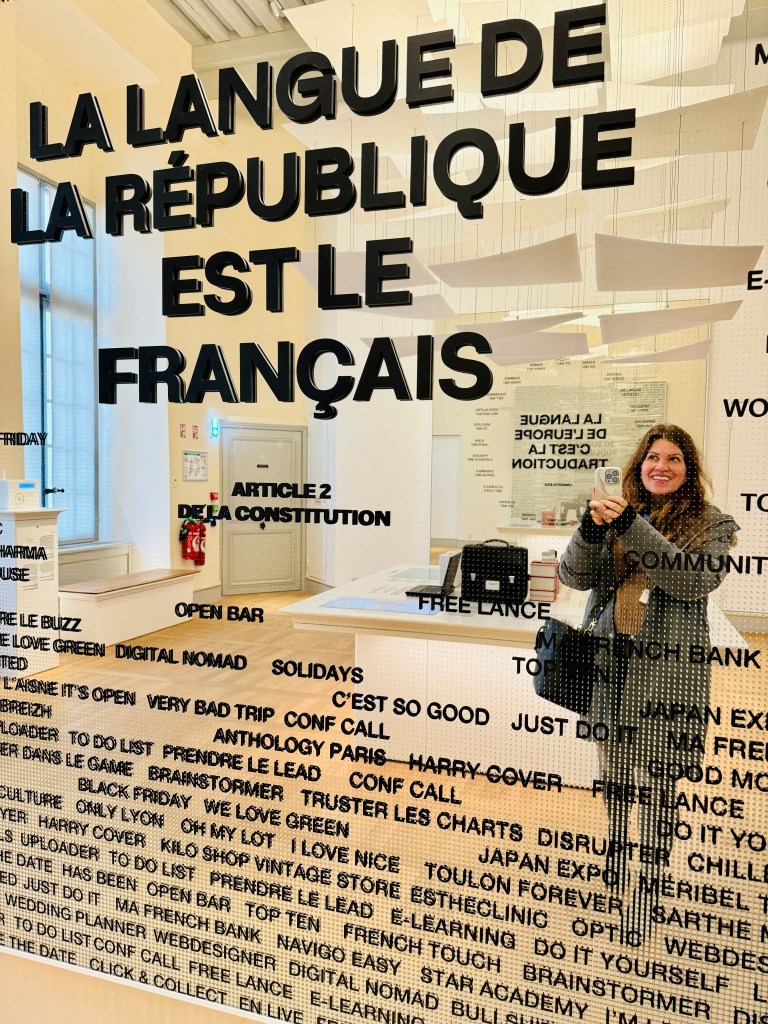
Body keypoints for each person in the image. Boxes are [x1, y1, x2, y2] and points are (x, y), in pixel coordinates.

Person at [557, 424, 739, 944]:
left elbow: (689, 580)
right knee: (613, 772)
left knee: (659, 784)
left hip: (667, 673)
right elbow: (573, 576)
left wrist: (629, 523)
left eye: (674, 459)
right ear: (639, 465)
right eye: (652, 457)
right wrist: (591, 529)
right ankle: (617, 856)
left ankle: (649, 885)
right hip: (610, 664)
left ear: (689, 470)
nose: (661, 466)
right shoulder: (617, 512)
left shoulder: (711, 524)